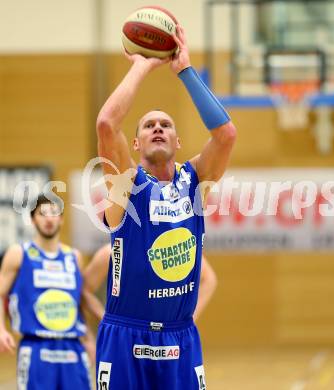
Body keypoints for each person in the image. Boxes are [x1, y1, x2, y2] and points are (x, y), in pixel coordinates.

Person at [96, 24, 236, 389]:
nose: (158, 127)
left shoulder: (196, 183)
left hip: (180, 337)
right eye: (148, 125)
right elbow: (107, 124)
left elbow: (226, 135)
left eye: (166, 124)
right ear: (137, 144)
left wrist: (184, 70)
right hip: (125, 337)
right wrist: (143, 63)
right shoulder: (125, 186)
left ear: (178, 140)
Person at [0, 194, 100, 389]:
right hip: (37, 347)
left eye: (54, 213)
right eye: (42, 214)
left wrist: (89, 338)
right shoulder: (19, 254)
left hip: (72, 347)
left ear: (61, 219)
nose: (49, 218)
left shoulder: (74, 257)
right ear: (32, 219)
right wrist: (1, 329)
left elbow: (77, 303)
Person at [84, 244, 217, 322]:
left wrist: (189, 319)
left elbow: (209, 279)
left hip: (168, 335)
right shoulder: (113, 250)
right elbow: (84, 288)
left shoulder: (172, 246)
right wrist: (105, 319)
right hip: (128, 333)